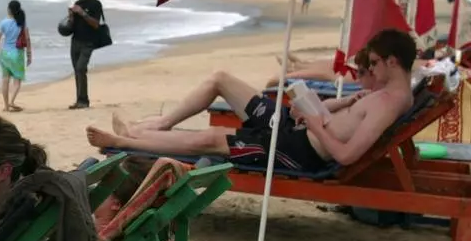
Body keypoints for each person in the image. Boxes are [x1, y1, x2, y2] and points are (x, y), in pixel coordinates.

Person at [84, 28, 417, 172]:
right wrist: (335, 106)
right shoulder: (386, 95)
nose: (368, 69)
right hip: (295, 128)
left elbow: (345, 155)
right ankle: (149, 128)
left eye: (372, 63)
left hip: (297, 151)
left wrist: (316, 122)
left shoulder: (388, 103)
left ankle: (126, 141)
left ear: (392, 62)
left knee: (212, 139)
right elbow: (347, 126)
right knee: (221, 79)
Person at [0, 0, 32, 112]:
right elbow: (27, 39)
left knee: (5, 80)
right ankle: (12, 101)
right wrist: (29, 54)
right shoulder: (22, 22)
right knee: (17, 81)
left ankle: (6, 106)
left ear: (9, 9)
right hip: (17, 54)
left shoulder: (3, 23)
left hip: (4, 54)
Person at [67, 0, 104, 110]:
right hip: (75, 41)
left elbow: (95, 24)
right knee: (77, 71)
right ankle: (80, 100)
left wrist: (82, 13)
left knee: (81, 68)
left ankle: (83, 100)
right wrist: (71, 17)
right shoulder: (77, 4)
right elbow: (71, 27)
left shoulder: (95, 4)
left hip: (88, 42)